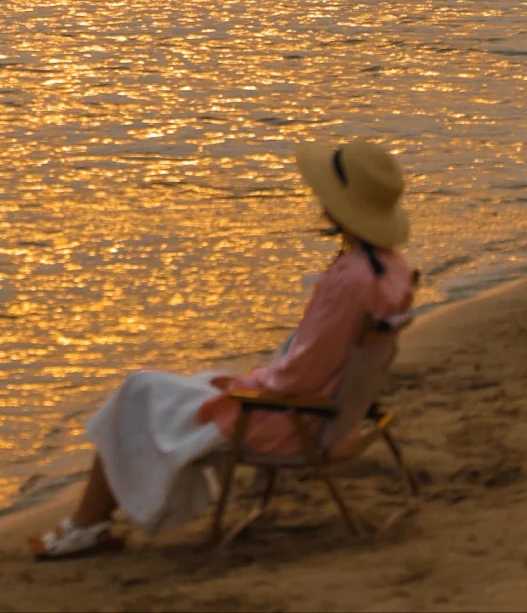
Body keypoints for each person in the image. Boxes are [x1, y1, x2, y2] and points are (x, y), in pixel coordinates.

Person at [30, 140, 415, 558]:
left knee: (136, 394)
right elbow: (319, 364)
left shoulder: (351, 278)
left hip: (294, 419)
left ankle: (84, 528)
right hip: (333, 413)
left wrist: (244, 385)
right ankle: (89, 525)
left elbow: (300, 375)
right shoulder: (391, 269)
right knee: (149, 393)